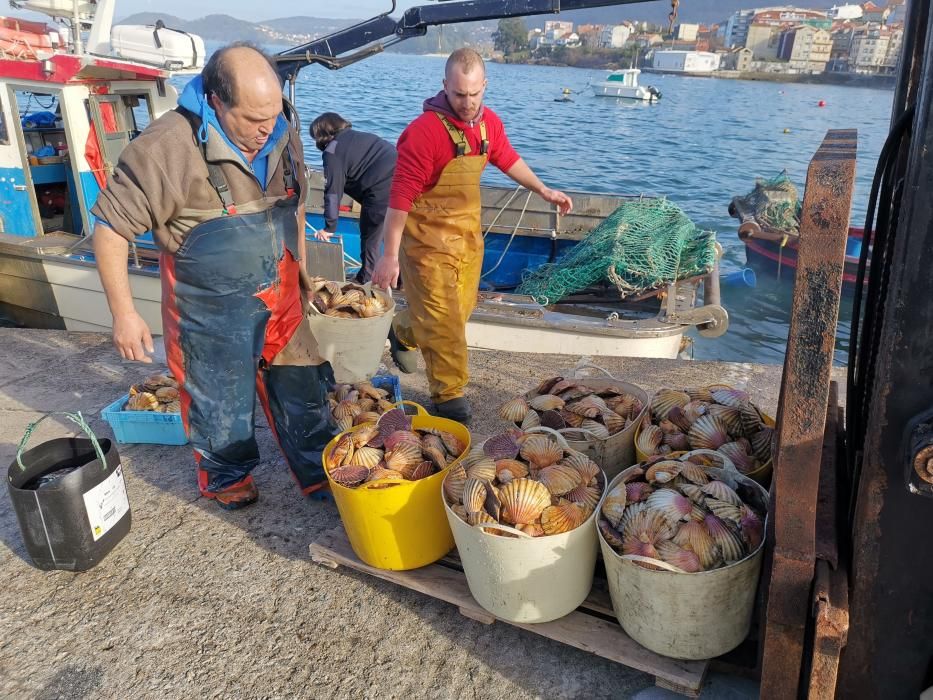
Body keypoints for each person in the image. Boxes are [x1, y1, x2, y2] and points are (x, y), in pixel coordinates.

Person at [91, 43, 337, 509]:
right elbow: (110, 229)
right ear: (216, 101)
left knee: (304, 388)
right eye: (252, 120)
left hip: (279, 291)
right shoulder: (165, 148)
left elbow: (296, 200)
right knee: (219, 402)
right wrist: (123, 314)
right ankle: (227, 477)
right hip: (208, 308)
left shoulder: (282, 126)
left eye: (272, 116)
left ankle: (317, 469)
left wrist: (302, 267)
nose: (266, 130)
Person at [371, 48, 573, 425]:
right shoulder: (424, 133)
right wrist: (390, 254)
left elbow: (507, 157)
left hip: (466, 238)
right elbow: (400, 199)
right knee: (446, 323)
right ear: (445, 86)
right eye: (459, 94)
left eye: (474, 94)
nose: (466, 103)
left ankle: (403, 328)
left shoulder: (488, 125)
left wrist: (543, 190)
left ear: (485, 86)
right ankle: (449, 396)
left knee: (459, 312)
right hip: (427, 242)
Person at [310, 113, 396, 283]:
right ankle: (398, 279)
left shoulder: (332, 151)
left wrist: (330, 227)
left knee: (371, 234)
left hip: (381, 187)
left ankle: (368, 281)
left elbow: (333, 192)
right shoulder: (357, 136)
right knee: (391, 233)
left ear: (321, 135)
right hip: (403, 179)